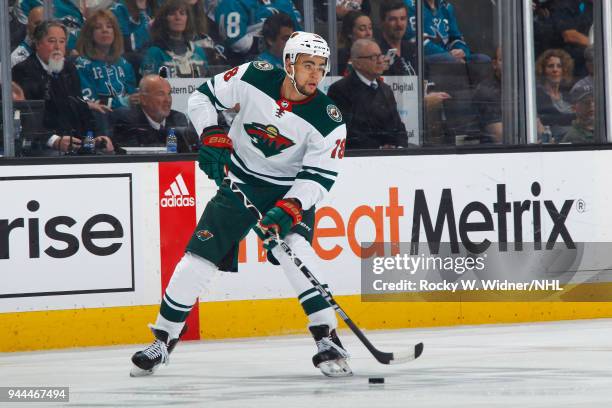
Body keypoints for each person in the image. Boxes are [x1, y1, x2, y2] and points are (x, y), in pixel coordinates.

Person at [130, 32, 351, 378]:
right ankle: (163, 338)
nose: (315, 74)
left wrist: (291, 207)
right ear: (289, 63)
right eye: (308, 65)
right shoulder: (255, 75)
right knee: (197, 258)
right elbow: (202, 98)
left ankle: (328, 337)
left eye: (321, 67)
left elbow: (319, 177)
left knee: (294, 251)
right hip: (241, 182)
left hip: (287, 191)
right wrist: (212, 133)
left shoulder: (329, 118)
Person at [12, 21, 114, 154]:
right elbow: (27, 118)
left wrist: (91, 140)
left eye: (62, 41)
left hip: (73, 142)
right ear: (37, 44)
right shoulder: (23, 71)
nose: (57, 47)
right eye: (51, 41)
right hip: (42, 144)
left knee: (103, 151)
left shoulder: (69, 69)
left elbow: (80, 107)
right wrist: (54, 141)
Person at [327, 39, 407, 149]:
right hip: (358, 158)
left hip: (391, 158)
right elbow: (345, 132)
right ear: (357, 63)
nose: (380, 61)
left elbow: (398, 128)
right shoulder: (340, 90)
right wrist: (378, 148)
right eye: (373, 57)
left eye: (380, 56)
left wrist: (399, 147)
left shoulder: (386, 90)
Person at [112, 75, 199, 152]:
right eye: (161, 94)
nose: (167, 100)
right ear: (143, 99)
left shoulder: (177, 118)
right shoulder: (127, 119)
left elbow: (184, 153)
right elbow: (134, 153)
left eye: (169, 94)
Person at [75, 10, 138, 110]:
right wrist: (122, 102)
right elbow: (90, 101)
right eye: (98, 27)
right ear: (89, 34)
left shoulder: (125, 64)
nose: (105, 30)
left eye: (109, 26)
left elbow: (132, 95)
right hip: (101, 117)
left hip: (129, 118)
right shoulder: (82, 65)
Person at [214, 0, 303, 64]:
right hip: (248, 65)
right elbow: (237, 42)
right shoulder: (232, 3)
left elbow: (299, 35)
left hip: (286, 64)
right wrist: (270, 40)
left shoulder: (285, 2)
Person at [404, 0, 490, 64]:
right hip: (424, 60)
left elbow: (456, 37)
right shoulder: (410, 5)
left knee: (483, 60)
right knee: (450, 60)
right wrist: (449, 55)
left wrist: (462, 51)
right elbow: (416, 41)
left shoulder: (445, 7)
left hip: (449, 57)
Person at [141, 0, 210, 78]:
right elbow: (149, 85)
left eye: (182, 13)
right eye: (172, 14)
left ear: (188, 19)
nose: (178, 17)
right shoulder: (155, 53)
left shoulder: (198, 52)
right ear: (164, 19)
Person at [535, 48, 575, 139]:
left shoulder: (568, 95)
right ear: (542, 70)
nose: (555, 70)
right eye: (550, 66)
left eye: (559, 66)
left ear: (564, 70)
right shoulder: (536, 95)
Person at [375, 0, 417, 76]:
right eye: (393, 19)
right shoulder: (375, 52)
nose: (399, 24)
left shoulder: (413, 50)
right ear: (382, 22)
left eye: (403, 18)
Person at [337, 11, 373, 76]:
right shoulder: (340, 58)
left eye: (370, 28)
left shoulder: (378, 55)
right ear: (350, 33)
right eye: (362, 29)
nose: (368, 33)